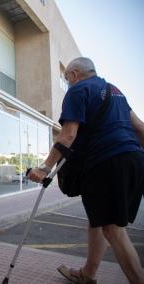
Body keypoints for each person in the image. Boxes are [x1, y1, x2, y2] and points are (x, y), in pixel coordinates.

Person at [28, 57, 144, 284]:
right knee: (97, 220)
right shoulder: (114, 90)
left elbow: (68, 134)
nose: (67, 82)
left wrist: (44, 168)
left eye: (66, 78)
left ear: (73, 74)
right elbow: (139, 127)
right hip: (133, 158)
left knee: (113, 230)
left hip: (106, 162)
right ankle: (88, 274)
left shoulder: (78, 90)